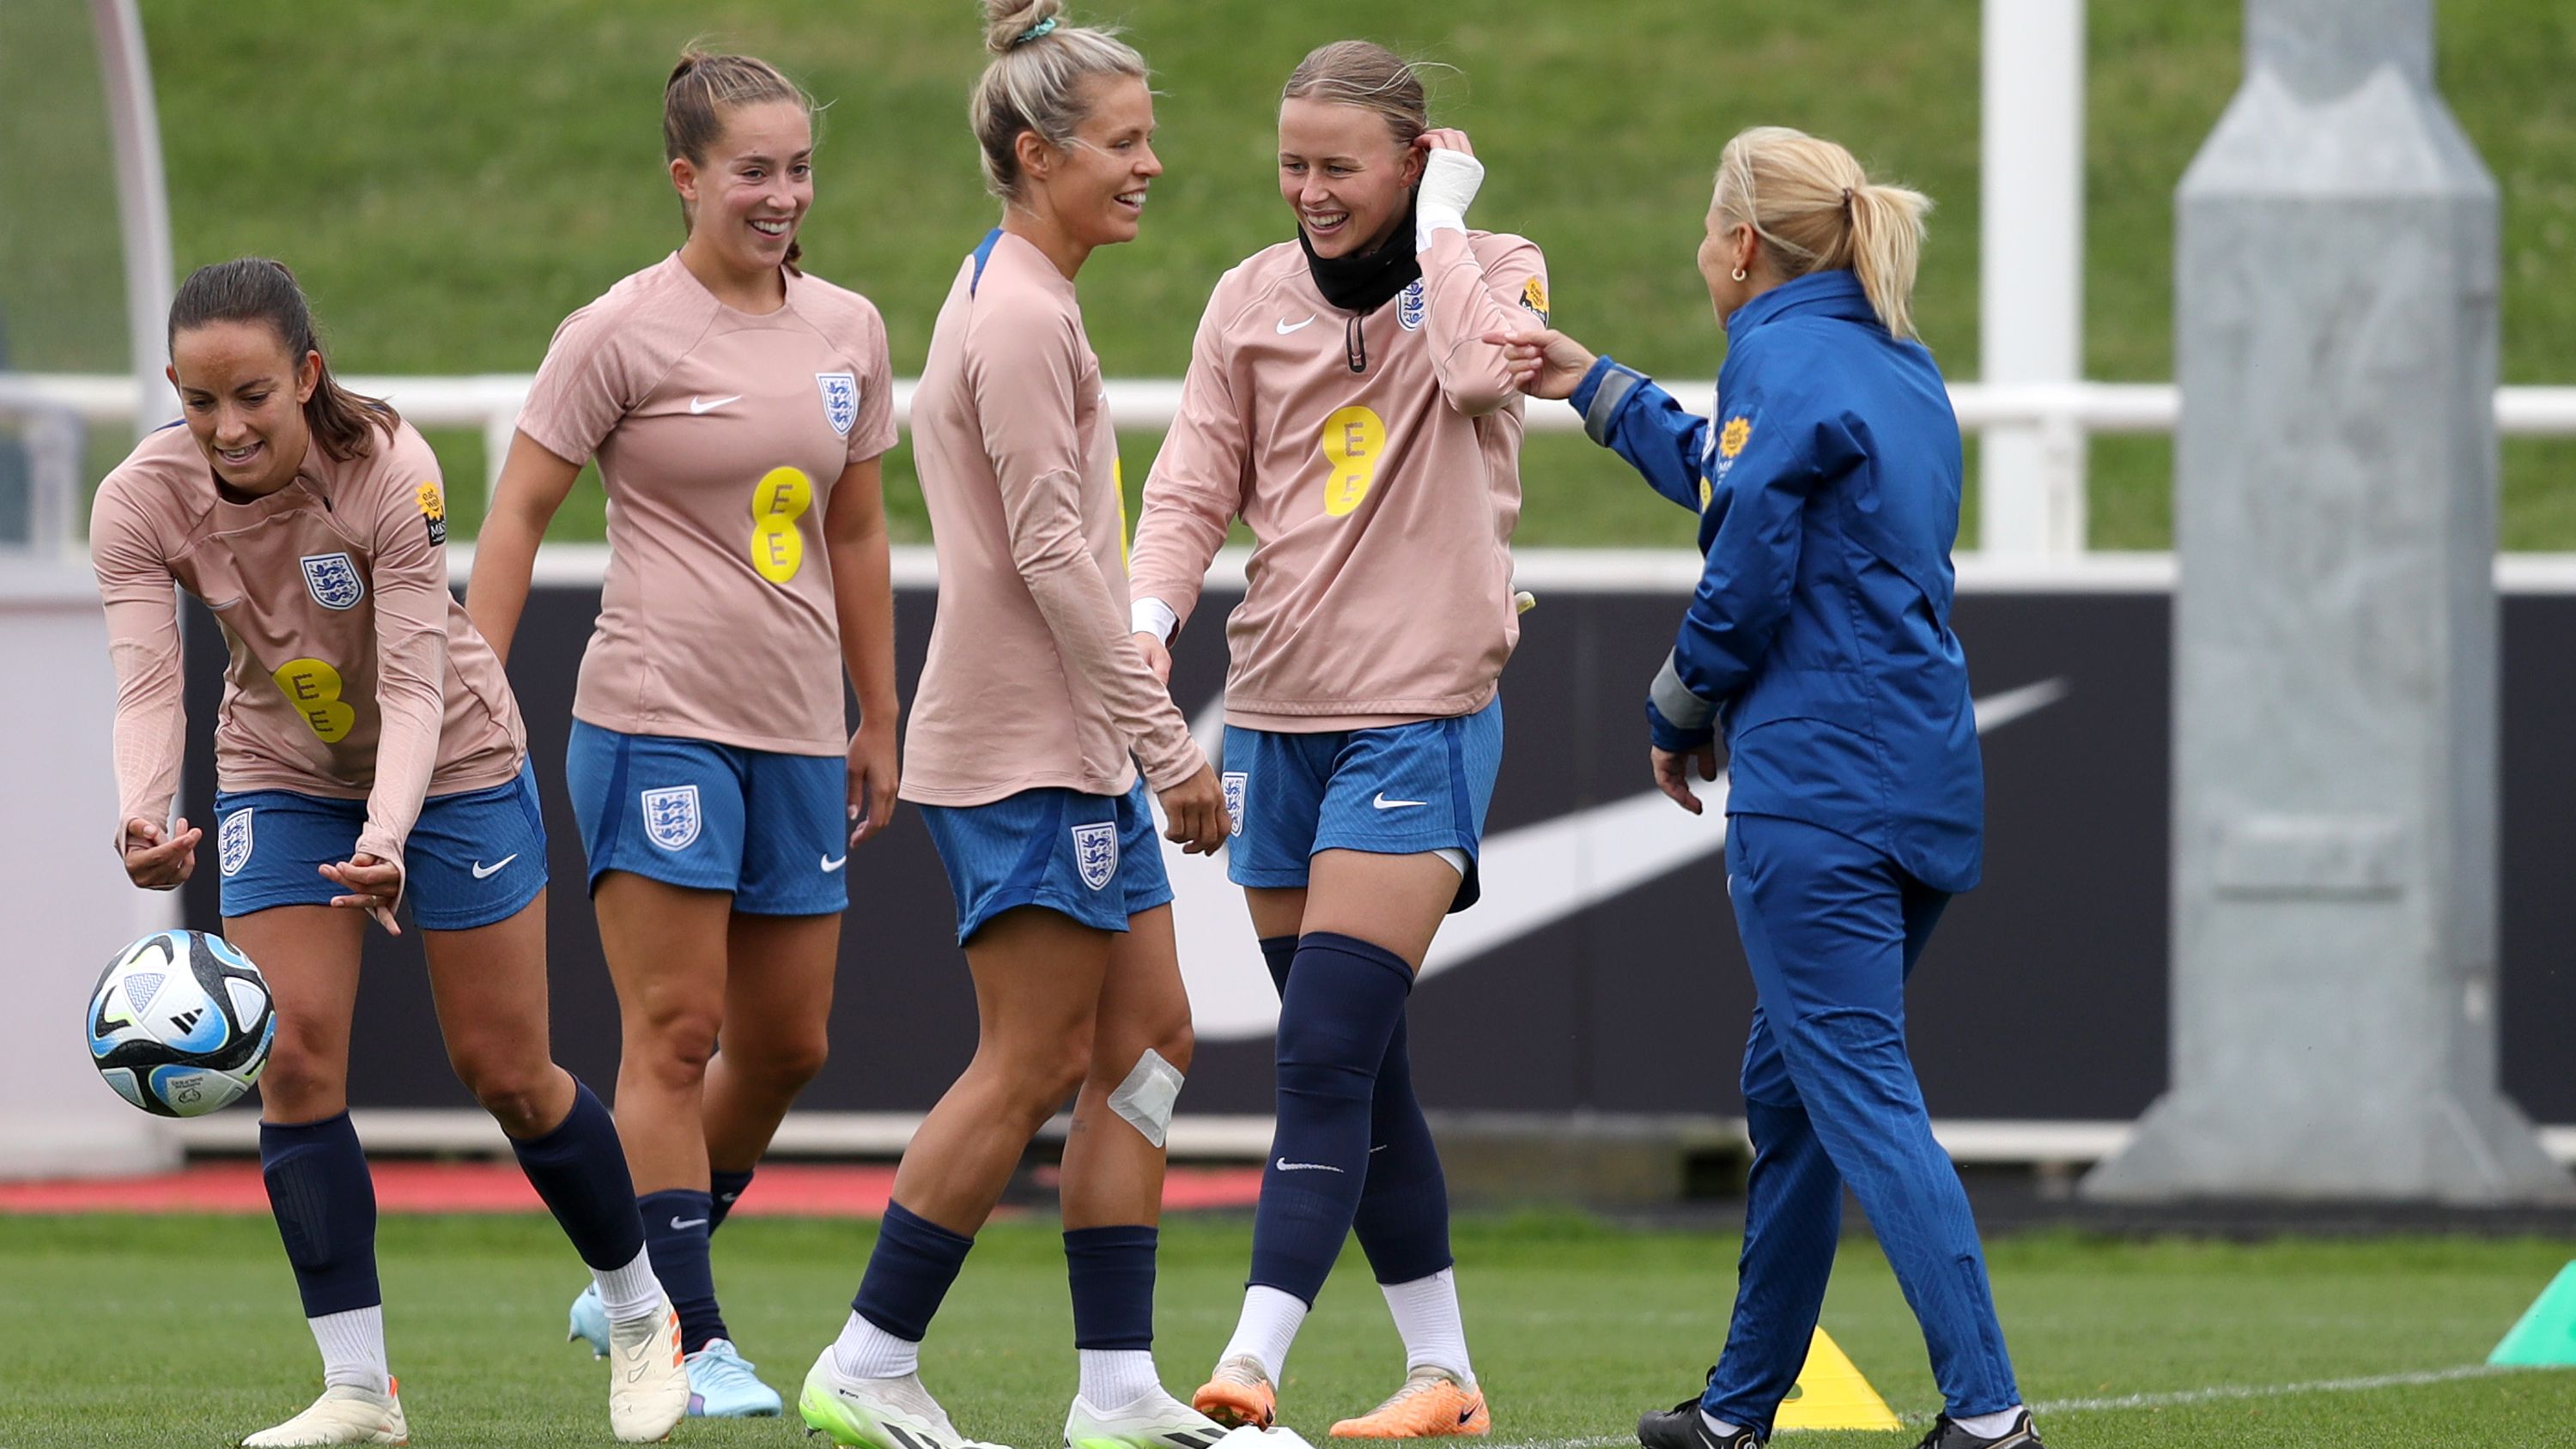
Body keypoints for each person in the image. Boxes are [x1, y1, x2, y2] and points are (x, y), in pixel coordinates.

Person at [1485, 126, 2045, 1449]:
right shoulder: (1894, 360)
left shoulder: (1779, 356)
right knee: (1794, 1096)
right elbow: (1744, 480)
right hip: (1916, 774)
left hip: (1822, 785)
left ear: (1742, 245)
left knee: (1855, 1089)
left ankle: (1991, 1413)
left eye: (1704, 226)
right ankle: (1739, 1412)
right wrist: (1596, 384)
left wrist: (1675, 706)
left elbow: (1745, 574)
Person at [92, 258, 688, 1446]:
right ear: (173, 388)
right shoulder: (138, 498)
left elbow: (416, 684)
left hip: (455, 767)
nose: (229, 426)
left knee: (507, 1072)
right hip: (278, 768)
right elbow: (150, 681)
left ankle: (639, 1313)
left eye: (254, 395)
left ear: (307, 376)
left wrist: (387, 835)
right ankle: (360, 1390)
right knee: (295, 1058)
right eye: (202, 401)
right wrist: (145, 812)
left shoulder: (389, 472)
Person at [794, 6, 1230, 1449]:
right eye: (1125, 141)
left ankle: (1115, 1389)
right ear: (1038, 155)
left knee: (1153, 1040)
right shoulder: (1027, 315)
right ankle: (867, 1358)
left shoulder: (1013, 280)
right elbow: (1057, 562)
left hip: (1068, 751)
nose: (1151, 163)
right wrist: (1169, 751)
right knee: (1032, 1062)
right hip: (1031, 752)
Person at [463, 49, 902, 1420]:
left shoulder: (849, 328)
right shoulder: (619, 332)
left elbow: (859, 526)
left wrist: (879, 710)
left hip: (794, 727)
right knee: (675, 1030)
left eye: (798, 169)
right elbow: (519, 514)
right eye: (753, 171)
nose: (781, 196)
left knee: (788, 1045)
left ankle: (631, 1267)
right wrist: (472, 698)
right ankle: (688, 1335)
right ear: (686, 178)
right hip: (654, 717)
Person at [1125, 39, 1546, 1441]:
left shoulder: (1499, 267)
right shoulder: (1248, 297)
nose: (1308, 189)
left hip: (1418, 722)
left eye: (1337, 165)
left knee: (1317, 1058)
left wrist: (1444, 224)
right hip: (1275, 727)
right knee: (1365, 1066)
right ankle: (1445, 1377)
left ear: (1418, 163)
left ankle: (1251, 1362)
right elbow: (1193, 476)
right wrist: (1148, 611)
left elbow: (1486, 377)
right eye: (1292, 163)